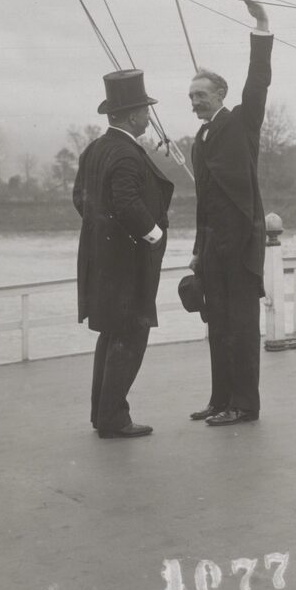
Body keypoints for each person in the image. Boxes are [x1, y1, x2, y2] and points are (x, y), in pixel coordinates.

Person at [187, 0, 274, 427]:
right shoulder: (199, 140)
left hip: (240, 249)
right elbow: (204, 204)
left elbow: (257, 82)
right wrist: (198, 250)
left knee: (241, 329)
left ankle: (245, 405)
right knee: (217, 327)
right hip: (213, 251)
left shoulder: (242, 122)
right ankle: (221, 400)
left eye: (201, 95)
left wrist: (261, 25)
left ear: (220, 94)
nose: (195, 102)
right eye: (191, 97)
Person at [74, 70, 174, 439]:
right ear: (132, 115)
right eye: (145, 110)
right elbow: (127, 202)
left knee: (111, 336)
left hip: (102, 263)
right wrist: (153, 234)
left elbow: (80, 200)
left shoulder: (95, 150)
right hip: (128, 267)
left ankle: (104, 414)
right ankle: (114, 419)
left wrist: (105, 234)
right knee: (130, 337)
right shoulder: (127, 154)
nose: (149, 116)